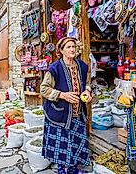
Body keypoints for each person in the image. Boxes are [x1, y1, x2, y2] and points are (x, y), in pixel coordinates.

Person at [40, 37, 92, 174]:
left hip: (77, 113)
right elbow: (44, 89)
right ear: (61, 50)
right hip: (60, 114)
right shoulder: (54, 68)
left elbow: (87, 83)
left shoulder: (82, 66)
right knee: (63, 145)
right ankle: (62, 170)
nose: (72, 49)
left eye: (73, 47)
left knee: (75, 144)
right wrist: (62, 95)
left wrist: (87, 90)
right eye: (68, 47)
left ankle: (73, 169)